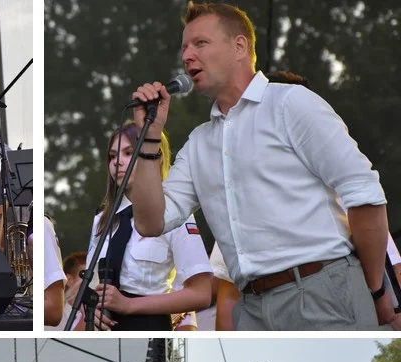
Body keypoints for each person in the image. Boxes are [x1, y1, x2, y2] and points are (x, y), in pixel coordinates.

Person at [127, 3, 388, 331]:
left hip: (321, 288)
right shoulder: (198, 143)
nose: (187, 56)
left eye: (200, 43)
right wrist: (150, 138)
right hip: (250, 306)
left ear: (239, 46)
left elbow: (364, 194)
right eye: (184, 48)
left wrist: (374, 287)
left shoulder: (290, 103)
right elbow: (151, 222)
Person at [81, 122, 211, 331]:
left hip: (148, 326)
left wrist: (129, 305)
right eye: (112, 156)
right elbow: (89, 284)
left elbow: (201, 294)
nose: (118, 163)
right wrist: (90, 306)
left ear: (153, 158)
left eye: (128, 153)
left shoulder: (174, 214)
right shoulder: (102, 219)